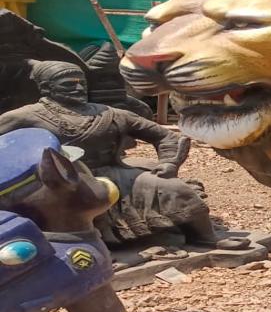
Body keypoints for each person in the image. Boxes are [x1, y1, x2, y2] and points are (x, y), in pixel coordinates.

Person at [0, 60, 230, 247]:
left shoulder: (111, 114)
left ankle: (205, 237)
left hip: (115, 171)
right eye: (68, 84)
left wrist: (169, 163)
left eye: (81, 82)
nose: (78, 88)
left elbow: (166, 136)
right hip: (65, 182)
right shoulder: (26, 116)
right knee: (74, 205)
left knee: (175, 188)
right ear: (46, 88)